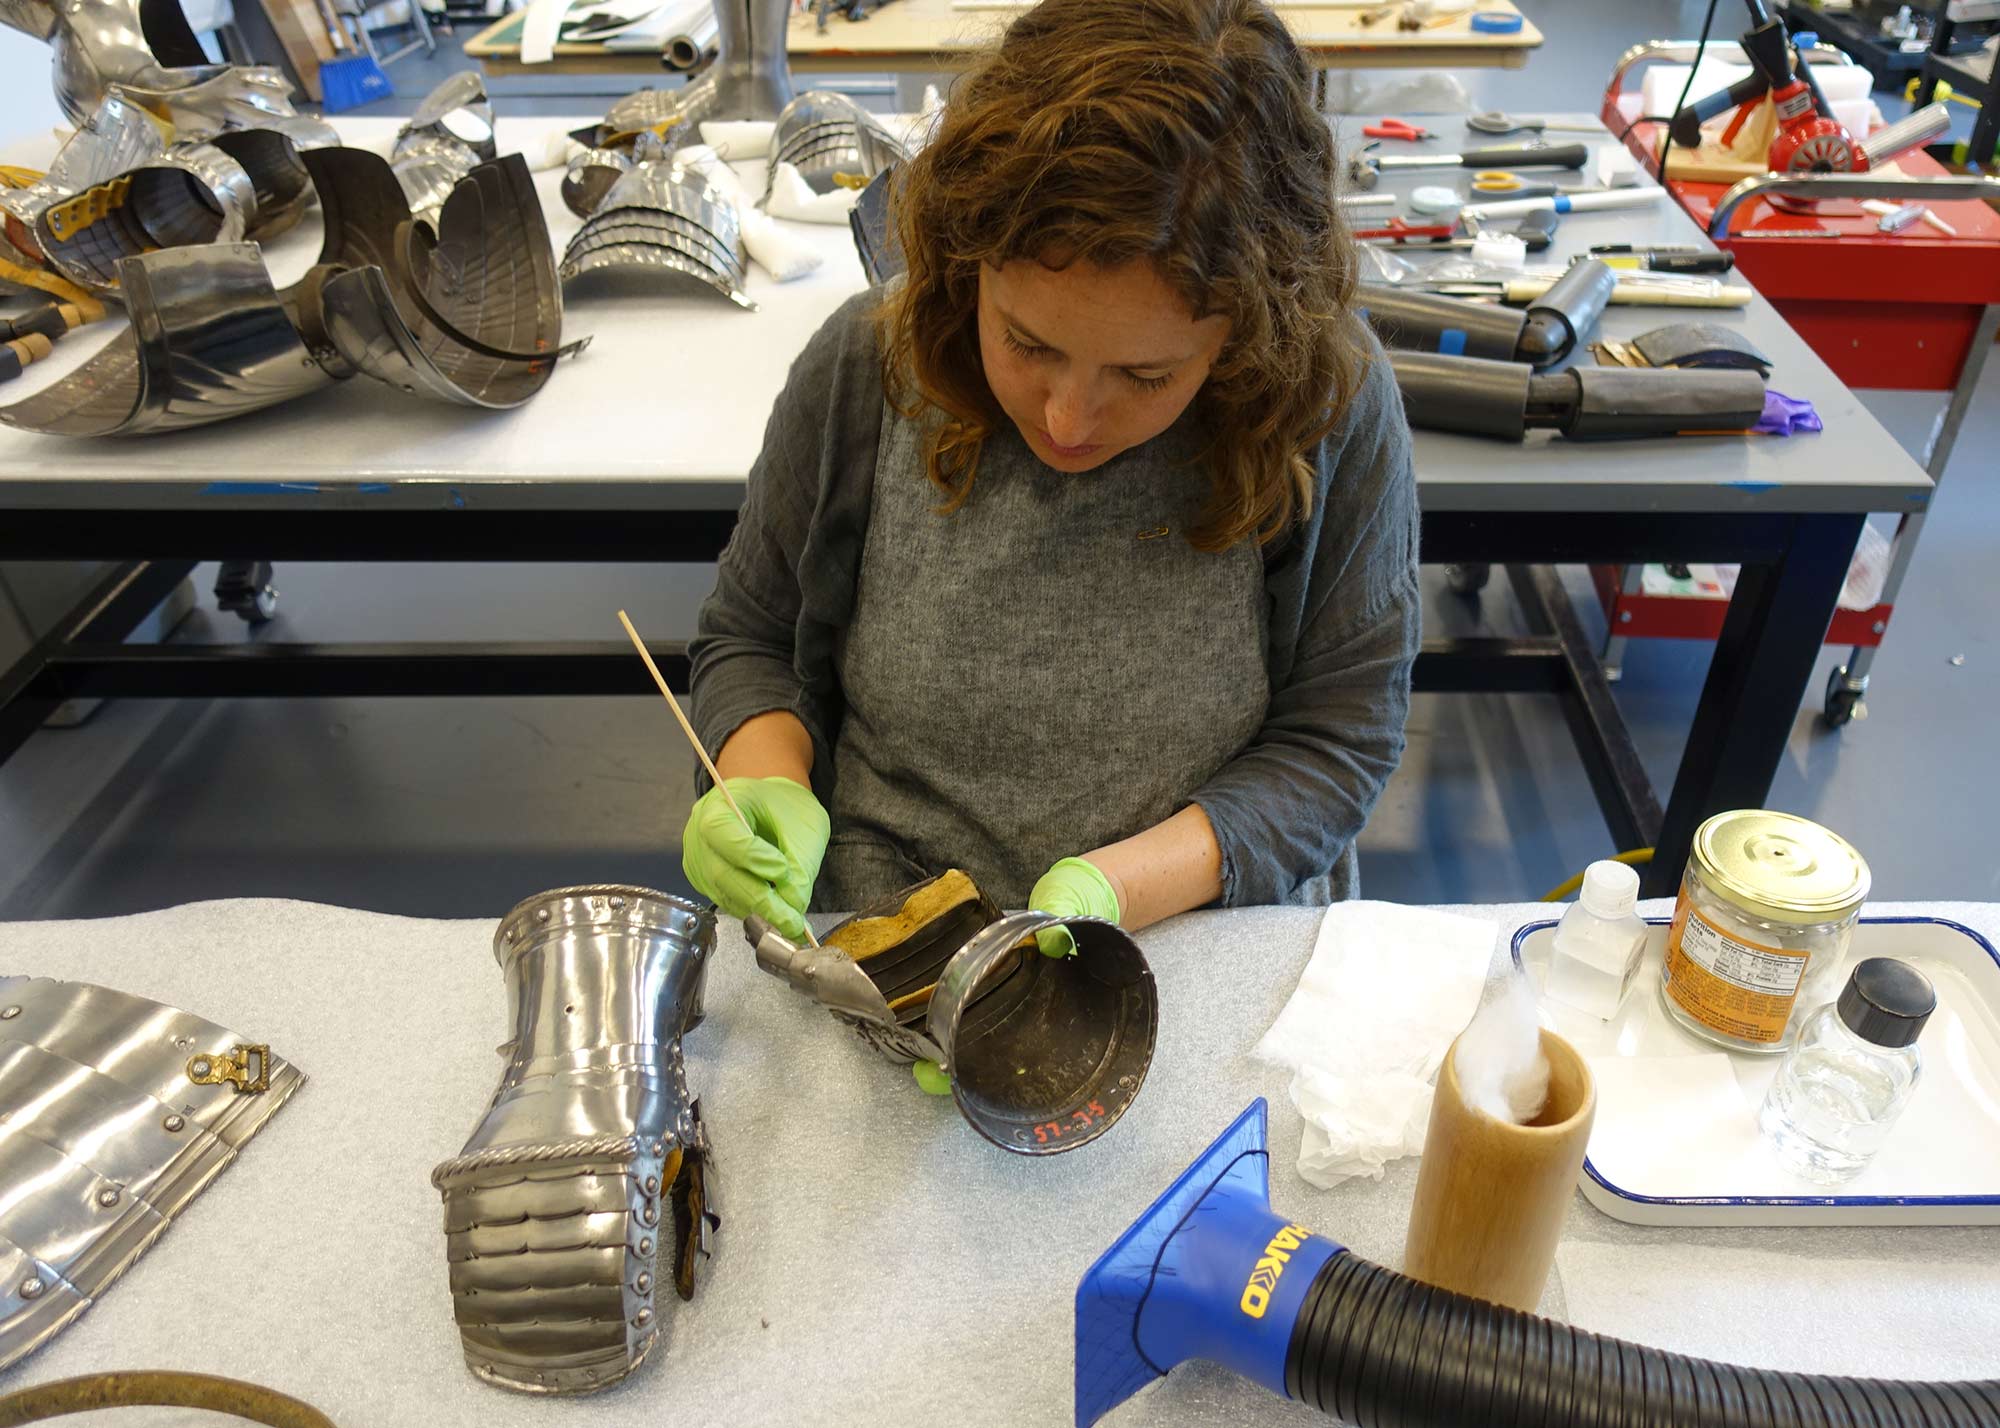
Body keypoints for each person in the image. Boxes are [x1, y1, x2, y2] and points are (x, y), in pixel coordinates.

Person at [682, 0, 1420, 966]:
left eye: (1145, 376)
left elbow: (1338, 740)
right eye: (1027, 343)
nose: (1068, 420)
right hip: (885, 936)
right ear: (967, 264)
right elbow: (752, 639)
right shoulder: (868, 368)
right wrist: (763, 781)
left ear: (1244, 335)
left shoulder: (1321, 402)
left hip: (1193, 938)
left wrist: (1118, 890)